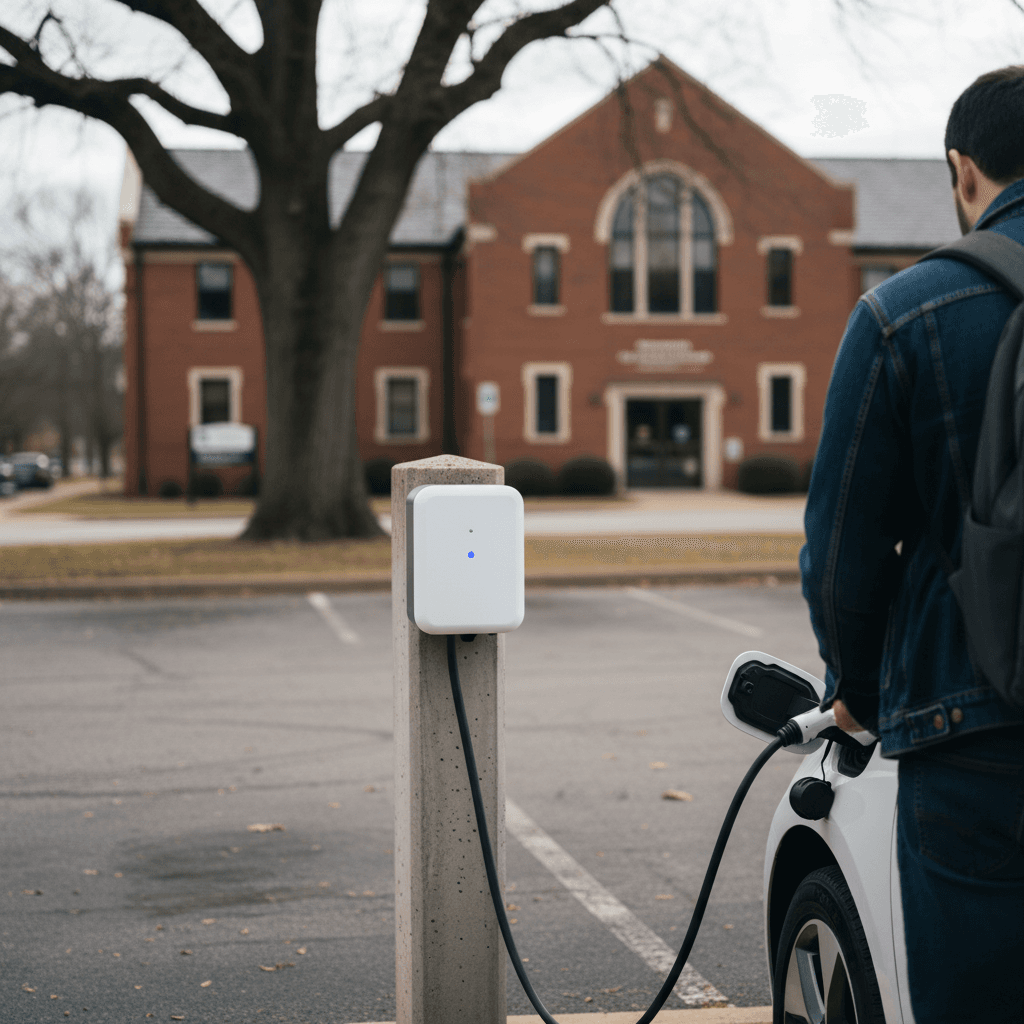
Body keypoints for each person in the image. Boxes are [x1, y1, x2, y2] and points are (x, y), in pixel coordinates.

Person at [801, 66, 1024, 1023]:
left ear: (962, 170)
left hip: (975, 735)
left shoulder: (905, 313)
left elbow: (843, 553)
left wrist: (857, 687)